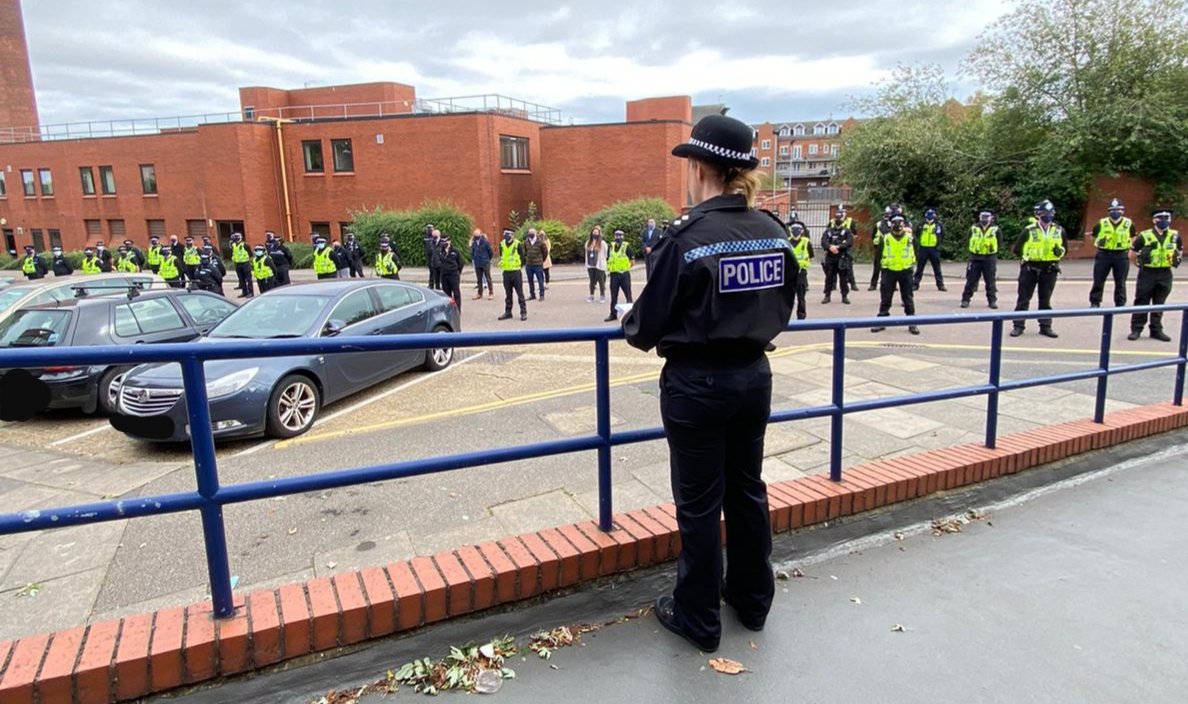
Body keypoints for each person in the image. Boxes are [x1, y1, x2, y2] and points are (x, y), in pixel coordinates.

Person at [623, 114, 796, 654]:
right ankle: (752, 600)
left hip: (698, 385)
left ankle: (698, 619)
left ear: (699, 167)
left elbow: (643, 329)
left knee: (699, 505)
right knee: (747, 490)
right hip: (753, 377)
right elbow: (787, 304)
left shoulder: (686, 239)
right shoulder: (773, 231)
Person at [1010, 200, 1067, 338]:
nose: (1047, 216)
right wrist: (1027, 257)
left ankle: (1045, 326)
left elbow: (1065, 248)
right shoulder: (1029, 230)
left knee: (1045, 300)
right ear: (1037, 215)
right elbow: (1017, 249)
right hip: (1030, 268)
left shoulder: (1059, 230)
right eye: (1044, 214)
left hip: (1049, 269)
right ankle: (1018, 326)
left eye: (1050, 213)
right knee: (1023, 299)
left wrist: (1059, 252)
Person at [1128, 208, 1181, 342]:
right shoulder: (1144, 236)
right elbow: (1132, 255)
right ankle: (1136, 329)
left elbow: (1178, 252)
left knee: (1159, 303)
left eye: (1166, 218)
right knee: (1142, 301)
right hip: (1148, 273)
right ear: (1154, 220)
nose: (1163, 221)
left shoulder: (1175, 235)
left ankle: (1156, 330)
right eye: (1160, 218)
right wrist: (1140, 266)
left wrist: (1175, 259)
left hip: (1165, 273)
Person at [871, 215, 920, 335]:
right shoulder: (885, 238)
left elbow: (917, 252)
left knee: (908, 298)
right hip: (889, 271)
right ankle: (882, 321)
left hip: (905, 271)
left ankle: (912, 322)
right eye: (895, 223)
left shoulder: (911, 238)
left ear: (904, 225)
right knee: (886, 298)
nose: (898, 226)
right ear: (891, 225)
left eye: (900, 223)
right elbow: (879, 256)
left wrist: (910, 266)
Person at [1088, 198, 1134, 308]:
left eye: (1118, 210)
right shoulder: (1102, 223)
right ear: (1109, 211)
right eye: (1112, 210)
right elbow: (1093, 237)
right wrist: (1099, 243)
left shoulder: (1128, 224)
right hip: (1104, 254)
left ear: (1122, 211)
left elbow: (1133, 237)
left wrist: (1128, 248)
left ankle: (1120, 302)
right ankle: (1095, 302)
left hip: (1121, 255)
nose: (1115, 212)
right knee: (1098, 279)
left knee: (1120, 281)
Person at [961, 210, 999, 309]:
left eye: (987, 217)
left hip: (989, 258)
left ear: (991, 218)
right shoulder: (973, 229)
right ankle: (965, 300)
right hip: (975, 257)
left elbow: (999, 242)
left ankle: (992, 301)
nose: (985, 219)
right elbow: (968, 240)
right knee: (971, 280)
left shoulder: (995, 229)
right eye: (983, 217)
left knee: (990, 281)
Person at [820, 210, 853, 304]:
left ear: (843, 220)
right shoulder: (828, 231)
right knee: (829, 277)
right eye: (837, 218)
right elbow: (823, 241)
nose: (838, 220)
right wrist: (830, 247)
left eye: (840, 218)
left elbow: (849, 242)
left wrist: (838, 247)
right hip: (830, 257)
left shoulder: (847, 231)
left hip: (842, 257)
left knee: (843, 278)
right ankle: (827, 296)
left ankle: (844, 296)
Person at [496, 228, 528, 321]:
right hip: (506, 272)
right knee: (508, 294)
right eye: (504, 234)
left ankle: (523, 312)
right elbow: (502, 256)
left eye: (507, 234)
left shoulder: (517, 244)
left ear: (512, 235)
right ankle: (508, 312)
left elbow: (522, 258)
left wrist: (518, 266)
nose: (505, 236)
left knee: (520, 293)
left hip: (516, 272)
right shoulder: (501, 244)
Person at [912, 207, 946, 291]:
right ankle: (915, 284)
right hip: (923, 248)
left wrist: (938, 243)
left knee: (937, 268)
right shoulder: (921, 224)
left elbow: (942, 234)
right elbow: (916, 234)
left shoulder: (938, 224)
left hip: (934, 249)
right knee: (920, 267)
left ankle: (940, 285)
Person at [605, 229, 634, 321]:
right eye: (616, 236)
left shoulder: (626, 246)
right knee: (613, 296)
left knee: (628, 295)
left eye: (620, 236)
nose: (618, 238)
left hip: (624, 275)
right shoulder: (611, 246)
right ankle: (613, 314)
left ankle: (631, 314)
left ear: (623, 237)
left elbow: (632, 261)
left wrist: (626, 268)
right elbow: (608, 259)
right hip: (614, 275)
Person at [787, 219, 814, 320]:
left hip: (801, 273)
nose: (796, 231)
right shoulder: (787, 242)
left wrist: (804, 265)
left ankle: (801, 316)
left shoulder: (806, 242)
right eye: (794, 229)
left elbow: (811, 257)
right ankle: (787, 316)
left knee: (801, 296)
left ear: (802, 231)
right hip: (789, 273)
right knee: (789, 297)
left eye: (798, 229)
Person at [439, 237, 465, 312]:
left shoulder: (455, 251)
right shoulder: (441, 251)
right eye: (442, 241)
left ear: (449, 241)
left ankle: (457, 310)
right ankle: (449, 310)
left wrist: (457, 271)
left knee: (456, 293)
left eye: (445, 241)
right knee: (446, 294)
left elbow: (461, 262)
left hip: (453, 274)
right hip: (444, 275)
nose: (443, 243)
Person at [523, 227, 548, 300]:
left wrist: (541, 260)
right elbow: (525, 251)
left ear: (535, 233)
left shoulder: (540, 242)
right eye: (529, 233)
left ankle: (542, 295)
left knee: (540, 280)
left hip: (538, 264)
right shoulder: (526, 242)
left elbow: (545, 252)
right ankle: (532, 294)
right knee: (530, 280)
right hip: (529, 264)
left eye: (532, 233)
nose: (530, 234)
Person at [868, 206, 890, 291]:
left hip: (889, 247)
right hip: (879, 247)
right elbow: (873, 235)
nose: (886, 217)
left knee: (889, 267)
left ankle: (890, 284)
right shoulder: (879, 224)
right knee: (877, 267)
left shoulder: (893, 224)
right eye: (886, 215)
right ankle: (873, 284)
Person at [585, 226, 608, 303]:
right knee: (592, 281)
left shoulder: (602, 243)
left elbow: (605, 254)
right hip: (590, 265)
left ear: (599, 234)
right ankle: (591, 295)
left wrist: (603, 261)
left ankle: (602, 295)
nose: (595, 234)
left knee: (601, 281)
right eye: (594, 232)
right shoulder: (588, 243)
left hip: (599, 265)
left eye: (596, 233)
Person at [471, 229, 493, 299]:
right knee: (479, 279)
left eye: (477, 235)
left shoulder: (485, 242)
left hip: (485, 262)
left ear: (480, 234)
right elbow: (472, 252)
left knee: (488, 278)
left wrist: (487, 259)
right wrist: (473, 257)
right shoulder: (474, 243)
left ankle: (491, 293)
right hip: (477, 263)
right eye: (475, 235)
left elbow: (490, 252)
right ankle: (479, 293)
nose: (476, 236)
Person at [229, 232, 253, 298]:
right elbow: (232, 253)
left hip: (245, 264)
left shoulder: (245, 245)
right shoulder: (233, 245)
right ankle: (244, 292)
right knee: (241, 280)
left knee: (248, 279)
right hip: (237, 264)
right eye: (235, 236)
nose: (236, 238)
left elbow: (250, 254)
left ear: (241, 237)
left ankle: (251, 292)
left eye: (238, 236)